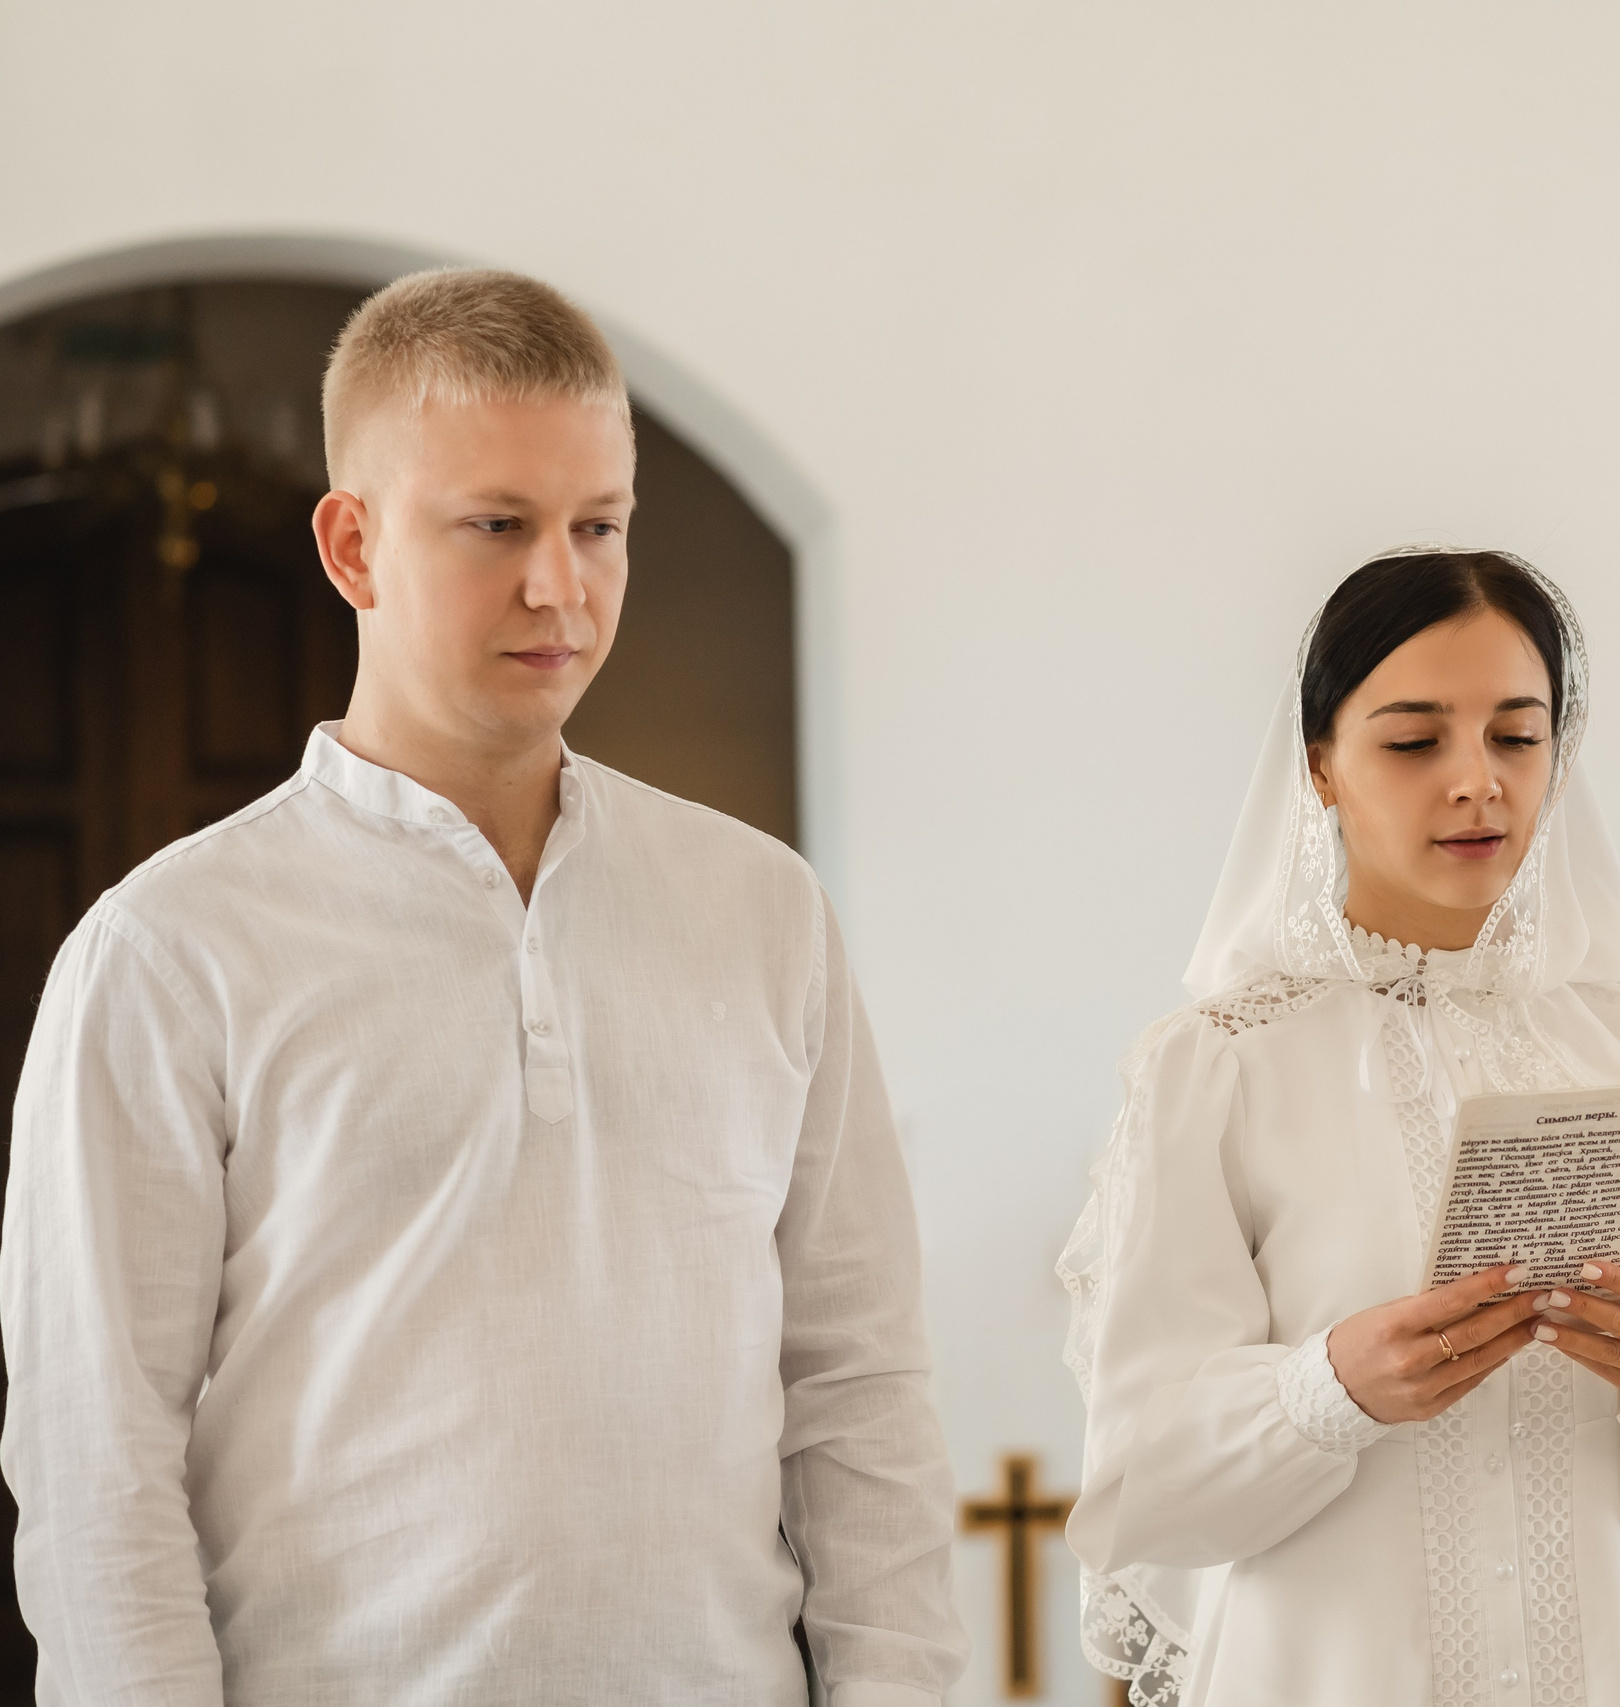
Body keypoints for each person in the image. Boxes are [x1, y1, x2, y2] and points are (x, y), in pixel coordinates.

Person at [0, 270, 965, 1705]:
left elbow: (859, 1390)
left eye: (599, 526)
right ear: (354, 545)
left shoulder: (766, 913)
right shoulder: (165, 952)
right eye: (498, 525)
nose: (558, 585)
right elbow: (96, 1459)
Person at [1059, 550, 1620, 1706]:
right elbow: (1143, 1493)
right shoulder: (1218, 1067)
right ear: (1319, 763)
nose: (1477, 782)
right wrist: (1331, 1389)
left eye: (1516, 736)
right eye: (1415, 742)